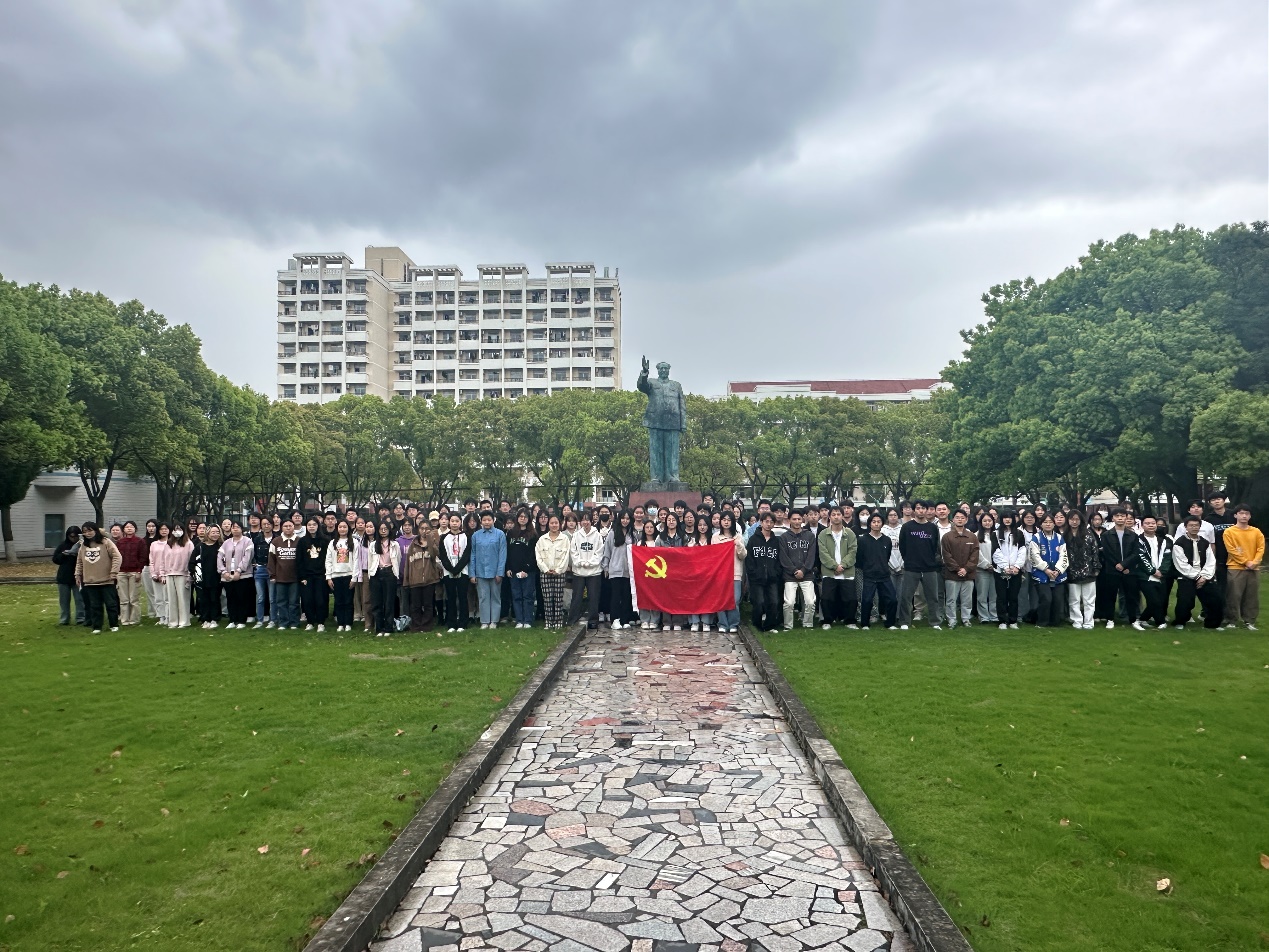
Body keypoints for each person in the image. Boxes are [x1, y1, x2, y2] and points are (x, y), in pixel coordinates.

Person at [1172, 515, 1224, 629]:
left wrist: (1204, 576)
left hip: (1204, 576)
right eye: (1191, 525)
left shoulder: (1205, 542)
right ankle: (1180, 622)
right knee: (1185, 601)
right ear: (1185, 527)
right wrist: (1196, 577)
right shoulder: (1179, 543)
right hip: (1187, 576)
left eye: (1196, 525)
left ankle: (1212, 624)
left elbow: (1210, 560)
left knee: (1216, 599)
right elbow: (1181, 563)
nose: (1194, 527)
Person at [897, 502, 942, 630]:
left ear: (927, 510)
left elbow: (936, 547)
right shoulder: (906, 527)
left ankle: (935, 622)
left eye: (923, 508)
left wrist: (933, 562)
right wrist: (909, 560)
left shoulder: (933, 528)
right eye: (918, 508)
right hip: (911, 567)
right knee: (906, 596)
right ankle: (904, 622)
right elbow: (902, 546)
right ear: (914, 510)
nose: (921, 510)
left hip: (929, 568)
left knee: (933, 597)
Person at [1097, 509, 1140, 628]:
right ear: (1113, 518)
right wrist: (1117, 565)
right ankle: (1110, 619)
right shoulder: (1106, 535)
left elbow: (1135, 553)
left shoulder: (1133, 535)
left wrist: (1124, 565)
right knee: (1110, 595)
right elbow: (1107, 552)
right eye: (1117, 516)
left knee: (1131, 596)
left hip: (1128, 570)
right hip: (1112, 570)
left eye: (1122, 516)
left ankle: (1133, 620)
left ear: (1126, 517)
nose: (1120, 518)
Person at [1222, 504, 1263, 630]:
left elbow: (1261, 548)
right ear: (1235, 515)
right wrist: (1245, 562)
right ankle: (1232, 620)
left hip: (1253, 568)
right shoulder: (1229, 531)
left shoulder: (1256, 531)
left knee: (1251, 596)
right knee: (1234, 595)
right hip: (1235, 567)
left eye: (1247, 513)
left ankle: (1249, 621)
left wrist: (1255, 562)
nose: (1244, 516)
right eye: (1241, 513)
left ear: (1250, 516)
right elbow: (1231, 550)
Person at [76, 521, 122, 633]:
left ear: (95, 530)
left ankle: (114, 625)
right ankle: (97, 627)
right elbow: (79, 562)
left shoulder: (106, 542)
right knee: (95, 605)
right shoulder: (83, 545)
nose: (87, 533)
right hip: (90, 581)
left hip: (107, 580)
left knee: (111, 604)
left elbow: (117, 557)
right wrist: (77, 574)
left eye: (90, 530)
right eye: (85, 531)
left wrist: (114, 572)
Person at [817, 506, 858, 630]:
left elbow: (853, 551)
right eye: (833, 514)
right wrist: (835, 566)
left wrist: (843, 565)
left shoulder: (850, 533)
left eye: (838, 514)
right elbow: (823, 553)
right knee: (827, 598)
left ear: (842, 516)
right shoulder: (823, 534)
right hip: (829, 571)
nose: (836, 517)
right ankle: (827, 621)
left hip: (847, 571)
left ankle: (850, 621)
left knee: (850, 598)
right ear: (829, 517)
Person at [778, 509, 817, 631]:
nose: (797, 521)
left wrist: (803, 570)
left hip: (807, 574)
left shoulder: (810, 536)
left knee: (810, 602)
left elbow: (811, 556)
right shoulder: (784, 537)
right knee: (789, 602)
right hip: (790, 576)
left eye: (799, 519)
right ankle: (788, 626)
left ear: (802, 520)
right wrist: (795, 571)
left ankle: (808, 624)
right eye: (794, 519)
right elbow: (783, 557)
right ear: (789, 520)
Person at [858, 513, 898, 629]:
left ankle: (890, 623)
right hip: (869, 575)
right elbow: (859, 558)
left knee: (892, 599)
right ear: (870, 524)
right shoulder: (863, 540)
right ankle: (865, 623)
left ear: (882, 524)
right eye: (874, 522)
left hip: (884, 575)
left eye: (878, 522)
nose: (876, 524)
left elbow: (887, 556)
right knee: (867, 600)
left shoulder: (887, 540)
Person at [470, 510, 508, 629]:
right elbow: (473, 554)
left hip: (495, 571)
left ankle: (494, 621)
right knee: (483, 597)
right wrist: (472, 573)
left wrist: (500, 572)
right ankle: (485, 621)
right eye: (484, 520)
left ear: (493, 520)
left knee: (495, 596)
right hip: (480, 571)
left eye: (489, 520)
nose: (487, 522)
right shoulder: (476, 535)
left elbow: (502, 555)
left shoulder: (500, 534)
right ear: (481, 521)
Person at [941, 509, 979, 629]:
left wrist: (966, 569)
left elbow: (975, 555)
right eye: (957, 517)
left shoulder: (972, 537)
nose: (960, 519)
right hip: (952, 574)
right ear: (953, 520)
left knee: (967, 600)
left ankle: (966, 619)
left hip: (968, 574)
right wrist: (957, 569)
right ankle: (951, 620)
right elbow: (946, 555)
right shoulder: (947, 537)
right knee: (951, 600)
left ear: (966, 520)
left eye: (962, 517)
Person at [1063, 509, 1100, 629]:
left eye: (1077, 519)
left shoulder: (1088, 534)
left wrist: (1096, 568)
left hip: (1088, 571)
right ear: (1068, 520)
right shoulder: (1064, 536)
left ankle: (1089, 622)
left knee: (1089, 600)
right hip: (1071, 572)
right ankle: (1077, 621)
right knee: (1074, 600)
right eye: (1072, 519)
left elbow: (1095, 551)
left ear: (1081, 521)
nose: (1074, 522)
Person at [1028, 514, 1068, 627]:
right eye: (1045, 522)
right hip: (1041, 574)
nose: (1048, 524)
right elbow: (1034, 556)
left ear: (1054, 524)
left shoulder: (1059, 538)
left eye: (1050, 522)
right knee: (1046, 599)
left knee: (1057, 599)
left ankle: (1054, 622)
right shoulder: (1036, 538)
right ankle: (1041, 622)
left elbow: (1064, 556)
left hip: (1058, 575)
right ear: (1041, 524)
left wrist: (1058, 570)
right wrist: (1046, 569)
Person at [1134, 516, 1173, 630]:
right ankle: (1161, 622)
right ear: (1142, 526)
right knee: (1154, 600)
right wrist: (1152, 571)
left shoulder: (1164, 541)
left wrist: (1162, 571)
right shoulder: (1138, 540)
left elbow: (1167, 557)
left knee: (1160, 600)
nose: (1150, 525)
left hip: (1161, 575)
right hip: (1145, 576)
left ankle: (1141, 620)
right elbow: (1141, 557)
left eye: (1153, 523)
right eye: (1147, 523)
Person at [747, 512, 782, 632]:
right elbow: (749, 559)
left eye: (771, 522)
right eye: (766, 521)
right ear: (761, 522)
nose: (768, 524)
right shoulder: (753, 540)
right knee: (759, 602)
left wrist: (776, 572)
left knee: (774, 602)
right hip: (757, 578)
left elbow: (779, 559)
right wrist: (753, 573)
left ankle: (770, 625)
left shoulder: (776, 541)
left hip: (772, 577)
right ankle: (757, 625)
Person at [568, 509, 603, 629]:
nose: (585, 522)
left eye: (587, 520)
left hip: (594, 572)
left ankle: (593, 620)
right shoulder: (576, 535)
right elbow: (573, 551)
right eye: (583, 520)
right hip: (579, 571)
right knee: (577, 597)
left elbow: (599, 552)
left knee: (593, 597)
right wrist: (580, 562)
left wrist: (590, 563)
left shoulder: (597, 535)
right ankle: (573, 619)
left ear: (591, 521)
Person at [993, 512, 1028, 629]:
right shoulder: (996, 534)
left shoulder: (1019, 533)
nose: (1007, 520)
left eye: (1009, 518)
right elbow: (995, 551)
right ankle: (1002, 621)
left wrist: (1017, 566)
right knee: (1001, 596)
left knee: (1013, 596)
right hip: (1000, 570)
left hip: (1015, 570)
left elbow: (1022, 550)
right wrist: (1005, 566)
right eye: (1005, 518)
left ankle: (1013, 621)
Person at [153, 525, 194, 628]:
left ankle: (184, 622)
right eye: (175, 529)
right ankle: (173, 621)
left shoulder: (188, 544)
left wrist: (189, 575)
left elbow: (191, 560)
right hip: (169, 575)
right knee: (171, 600)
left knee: (183, 599)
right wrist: (162, 574)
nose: (177, 531)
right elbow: (163, 560)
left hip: (183, 575)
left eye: (179, 529)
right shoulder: (169, 544)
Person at [218, 521, 256, 629]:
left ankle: (241, 620)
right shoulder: (226, 543)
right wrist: (223, 571)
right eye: (233, 527)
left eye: (238, 527)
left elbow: (247, 558)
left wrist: (239, 571)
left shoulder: (247, 541)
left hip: (243, 576)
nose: (235, 529)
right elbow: (219, 557)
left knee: (242, 598)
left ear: (242, 529)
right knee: (231, 598)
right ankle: (232, 620)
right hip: (228, 576)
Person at [504, 509, 538, 629]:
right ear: (517, 518)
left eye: (525, 517)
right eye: (520, 516)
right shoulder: (511, 533)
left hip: (528, 571)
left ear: (529, 519)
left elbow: (534, 554)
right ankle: (519, 620)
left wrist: (526, 569)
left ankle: (528, 620)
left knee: (528, 596)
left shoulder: (533, 534)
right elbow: (507, 552)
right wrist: (508, 568)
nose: (522, 519)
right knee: (516, 596)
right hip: (513, 570)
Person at [535, 515, 570, 630]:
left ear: (559, 524)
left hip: (559, 573)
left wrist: (558, 570)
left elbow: (566, 557)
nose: (554, 525)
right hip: (545, 573)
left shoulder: (564, 539)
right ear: (548, 524)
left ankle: (558, 621)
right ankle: (549, 622)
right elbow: (538, 556)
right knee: (547, 599)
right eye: (552, 523)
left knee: (558, 598)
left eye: (556, 523)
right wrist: (545, 569)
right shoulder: (542, 539)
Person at [326, 519, 361, 632]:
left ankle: (348, 623)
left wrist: (354, 577)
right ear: (337, 528)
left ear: (348, 528)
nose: (342, 529)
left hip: (349, 575)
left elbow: (356, 560)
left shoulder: (354, 542)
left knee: (348, 601)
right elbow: (328, 560)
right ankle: (340, 623)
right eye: (340, 527)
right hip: (335, 576)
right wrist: (328, 577)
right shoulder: (332, 543)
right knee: (338, 601)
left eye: (344, 527)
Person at [715, 510, 747, 633]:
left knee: (735, 600)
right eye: (724, 520)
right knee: (720, 599)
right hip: (720, 574)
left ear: (733, 522)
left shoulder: (738, 537)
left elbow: (743, 556)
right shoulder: (715, 537)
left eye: (729, 520)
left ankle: (734, 623)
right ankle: (722, 623)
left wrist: (739, 545)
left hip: (735, 573)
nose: (726, 522)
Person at [602, 510, 635, 630]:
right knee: (615, 596)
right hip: (615, 569)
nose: (625, 521)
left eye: (627, 518)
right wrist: (605, 566)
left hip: (628, 571)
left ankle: (625, 619)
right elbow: (607, 551)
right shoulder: (612, 533)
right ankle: (615, 619)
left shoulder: (632, 534)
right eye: (623, 518)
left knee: (626, 596)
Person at [368, 521, 401, 636]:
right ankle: (379, 628)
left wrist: (395, 573)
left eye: (385, 529)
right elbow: (370, 561)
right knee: (377, 602)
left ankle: (388, 628)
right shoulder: (373, 545)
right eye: (381, 529)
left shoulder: (395, 545)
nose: (383, 531)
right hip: (376, 573)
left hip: (389, 573)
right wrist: (371, 575)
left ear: (389, 530)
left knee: (389, 602)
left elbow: (398, 560)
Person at [439, 513, 471, 632]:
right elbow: (443, 555)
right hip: (448, 572)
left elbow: (467, 554)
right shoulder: (444, 537)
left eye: (457, 521)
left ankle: (463, 623)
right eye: (452, 521)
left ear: (460, 522)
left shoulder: (466, 536)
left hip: (463, 571)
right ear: (449, 522)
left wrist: (458, 569)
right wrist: (451, 569)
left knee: (463, 597)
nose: (454, 523)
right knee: (450, 597)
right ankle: (451, 623)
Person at [298, 517, 331, 631]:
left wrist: (327, 574)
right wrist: (302, 576)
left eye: (314, 524)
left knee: (321, 599)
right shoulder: (302, 541)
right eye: (309, 525)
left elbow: (328, 559)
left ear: (318, 526)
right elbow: (299, 560)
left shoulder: (325, 540)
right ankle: (310, 622)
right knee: (307, 600)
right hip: (307, 576)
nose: (311, 527)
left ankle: (321, 622)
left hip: (321, 575)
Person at [267, 520, 301, 630]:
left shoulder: (299, 541)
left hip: (295, 578)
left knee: (294, 602)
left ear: (294, 527)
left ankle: (294, 622)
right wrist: (272, 575)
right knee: (281, 602)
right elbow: (271, 560)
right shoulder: (275, 541)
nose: (288, 528)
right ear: (282, 528)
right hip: (280, 578)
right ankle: (283, 622)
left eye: (290, 526)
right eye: (285, 526)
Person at [112, 521, 147, 626]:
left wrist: (139, 570)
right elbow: (116, 557)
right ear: (124, 530)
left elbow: (143, 557)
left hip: (134, 572)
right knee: (123, 598)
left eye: (131, 527)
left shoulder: (140, 541)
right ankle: (124, 620)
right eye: (127, 527)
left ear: (135, 529)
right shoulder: (120, 542)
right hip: (121, 572)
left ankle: (134, 619)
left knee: (134, 598)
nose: (129, 528)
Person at [53, 526, 85, 626]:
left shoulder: (83, 546)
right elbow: (55, 559)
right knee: (64, 600)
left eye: (75, 537)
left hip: (78, 576)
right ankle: (64, 619)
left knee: (79, 599)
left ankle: (81, 617)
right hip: (64, 577)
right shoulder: (63, 545)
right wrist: (64, 554)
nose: (73, 539)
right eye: (71, 537)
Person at [195, 525, 223, 629]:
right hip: (202, 577)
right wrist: (195, 574)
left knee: (214, 599)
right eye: (213, 532)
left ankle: (214, 619)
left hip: (216, 577)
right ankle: (205, 619)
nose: (215, 534)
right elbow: (193, 561)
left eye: (217, 532)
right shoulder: (200, 547)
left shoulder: (221, 546)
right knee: (203, 599)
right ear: (208, 533)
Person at [975, 513, 1000, 625]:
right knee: (982, 594)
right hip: (982, 569)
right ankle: (983, 616)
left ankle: (994, 615)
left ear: (993, 522)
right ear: (980, 522)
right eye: (984, 521)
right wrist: (986, 565)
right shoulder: (976, 535)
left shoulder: (997, 534)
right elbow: (976, 553)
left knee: (994, 594)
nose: (987, 523)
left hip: (996, 568)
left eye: (989, 520)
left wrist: (995, 565)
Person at [251, 516, 274, 629]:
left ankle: (272, 620)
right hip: (260, 570)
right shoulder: (257, 539)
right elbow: (253, 553)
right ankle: (259, 620)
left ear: (272, 525)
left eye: (268, 524)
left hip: (272, 570)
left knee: (272, 598)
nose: (266, 526)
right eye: (264, 524)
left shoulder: (276, 539)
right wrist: (254, 563)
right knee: (260, 598)